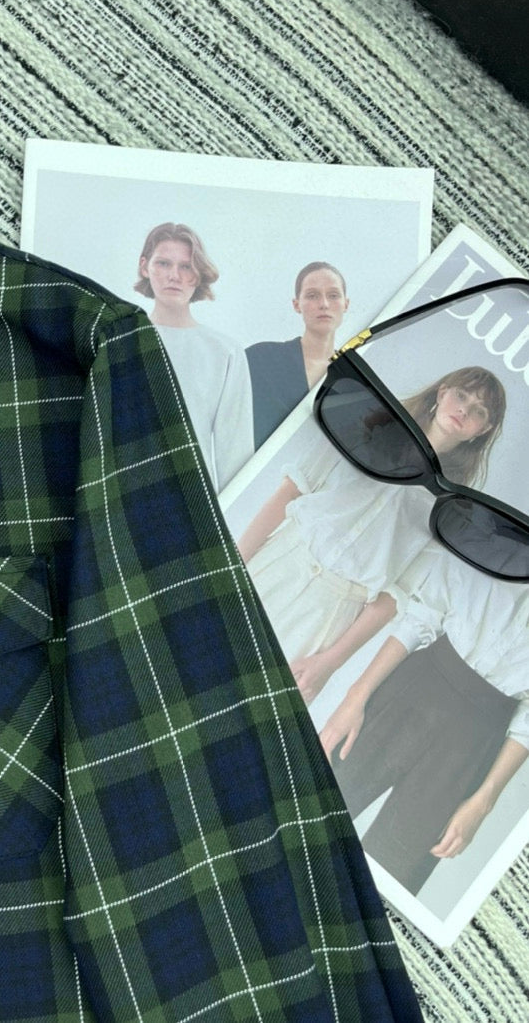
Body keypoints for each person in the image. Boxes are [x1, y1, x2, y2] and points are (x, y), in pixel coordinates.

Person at [237, 365, 506, 703]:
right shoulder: (370, 426)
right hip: (280, 562)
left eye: (479, 411)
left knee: (258, 706)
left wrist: (329, 663)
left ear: (483, 430)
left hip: (330, 614)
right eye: (461, 395)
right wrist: (232, 563)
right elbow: (291, 490)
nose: (464, 410)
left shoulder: (453, 510)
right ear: (442, 393)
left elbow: (395, 595)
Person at [320, 547, 529, 895]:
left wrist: (483, 802)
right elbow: (423, 616)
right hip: (412, 691)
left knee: (391, 875)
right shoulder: (493, 541)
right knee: (312, 809)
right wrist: (354, 697)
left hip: (474, 742)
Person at [135, 222, 253, 491]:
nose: (174, 276)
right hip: (127, 496)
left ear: (198, 274)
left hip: (193, 497)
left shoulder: (225, 352)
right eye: (163, 263)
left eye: (186, 266)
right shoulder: (122, 342)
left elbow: (235, 452)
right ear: (145, 266)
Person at [246, 262, 350, 447]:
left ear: (346, 304)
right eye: (312, 295)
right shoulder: (260, 359)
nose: (324, 304)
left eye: (333, 295)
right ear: (296, 304)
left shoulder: (353, 378)